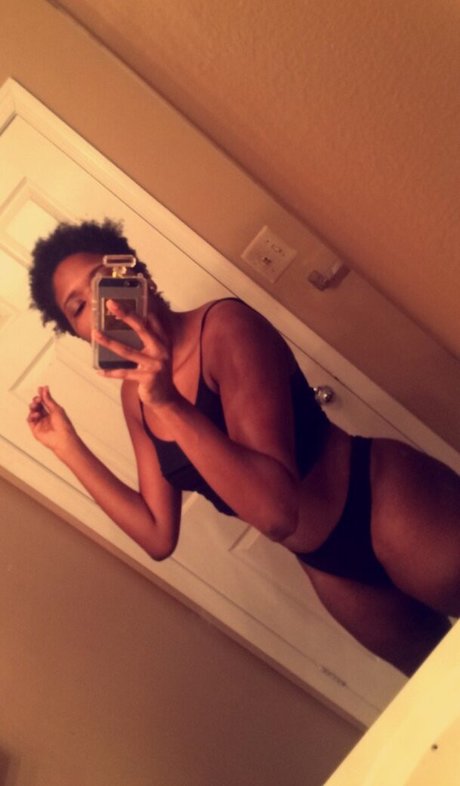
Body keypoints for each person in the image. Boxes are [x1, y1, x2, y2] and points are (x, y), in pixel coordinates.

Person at [27, 219, 460, 676]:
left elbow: (277, 511)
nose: (100, 304)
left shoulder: (224, 329)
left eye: (103, 279)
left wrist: (169, 403)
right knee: (440, 686)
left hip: (384, 501)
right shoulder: (135, 397)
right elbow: (157, 534)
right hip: (327, 563)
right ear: (80, 332)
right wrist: (67, 447)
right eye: (78, 306)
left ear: (138, 273)